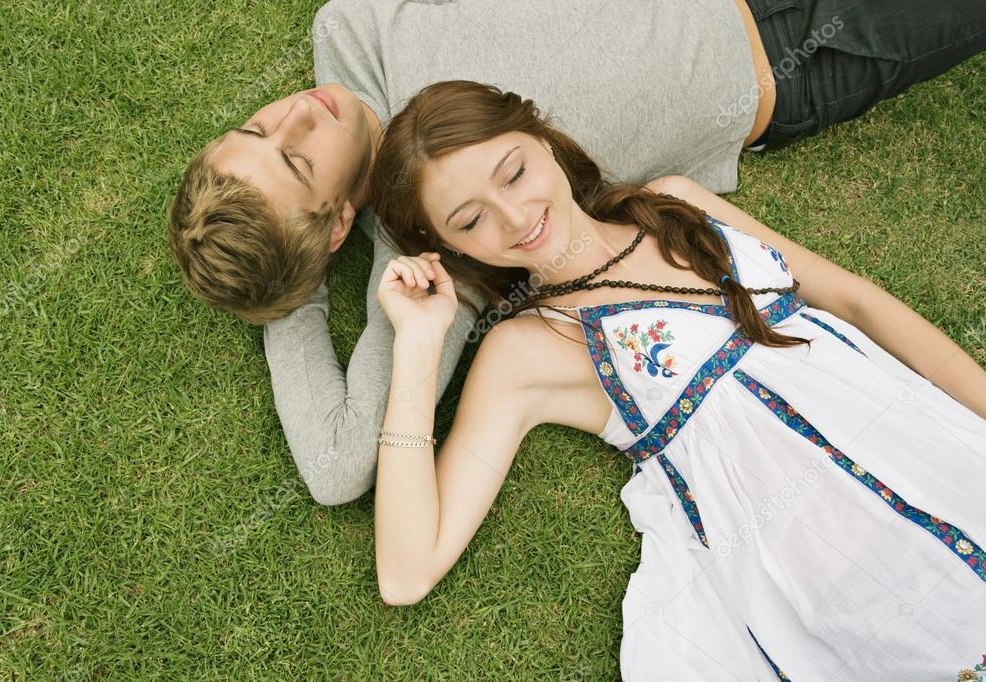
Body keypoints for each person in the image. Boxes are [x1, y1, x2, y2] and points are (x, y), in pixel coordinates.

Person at [166, 0, 986, 505]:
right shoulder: (437, 246)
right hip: (802, 61)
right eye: (296, 160)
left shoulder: (352, 25)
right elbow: (336, 467)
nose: (295, 114)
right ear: (337, 225)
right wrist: (294, 288)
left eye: (256, 128)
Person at [367, 81, 986, 680]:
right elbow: (407, 572)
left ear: (543, 141)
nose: (515, 215)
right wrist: (418, 347)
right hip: (843, 573)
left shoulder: (674, 204)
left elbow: (855, 304)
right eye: (471, 220)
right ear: (445, 245)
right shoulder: (529, 347)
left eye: (514, 173)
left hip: (942, 463)